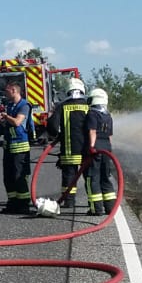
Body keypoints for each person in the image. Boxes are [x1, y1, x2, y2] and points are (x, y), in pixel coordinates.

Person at [46, 78, 91, 210]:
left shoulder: (62, 106)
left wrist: (58, 135)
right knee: (89, 176)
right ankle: (94, 203)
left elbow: (52, 127)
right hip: (87, 150)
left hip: (69, 149)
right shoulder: (88, 106)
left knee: (69, 176)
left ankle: (69, 201)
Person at [0, 80, 34, 213]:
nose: (5, 94)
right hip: (8, 146)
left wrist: (6, 116)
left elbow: (17, 122)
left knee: (18, 176)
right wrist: (0, 121)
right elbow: (8, 126)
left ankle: (24, 204)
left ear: (14, 90)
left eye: (7, 91)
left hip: (20, 147)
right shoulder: (10, 105)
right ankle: (13, 202)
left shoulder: (24, 105)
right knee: (8, 177)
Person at [85, 87, 116, 214]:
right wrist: (109, 150)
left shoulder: (92, 114)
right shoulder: (108, 116)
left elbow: (92, 131)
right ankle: (110, 208)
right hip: (106, 148)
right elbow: (109, 136)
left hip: (96, 148)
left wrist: (91, 146)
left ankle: (96, 208)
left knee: (93, 177)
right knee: (105, 176)